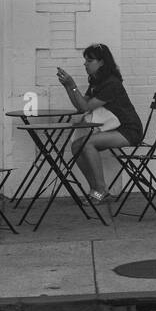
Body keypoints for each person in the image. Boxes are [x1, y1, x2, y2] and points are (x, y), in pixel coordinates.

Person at [56, 43, 144, 207]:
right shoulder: (98, 81)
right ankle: (96, 190)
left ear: (102, 62)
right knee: (77, 146)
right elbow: (80, 105)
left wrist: (73, 85)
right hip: (116, 128)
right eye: (85, 60)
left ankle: (101, 190)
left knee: (88, 143)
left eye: (90, 60)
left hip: (129, 129)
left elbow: (84, 107)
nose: (85, 64)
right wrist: (68, 87)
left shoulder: (112, 84)